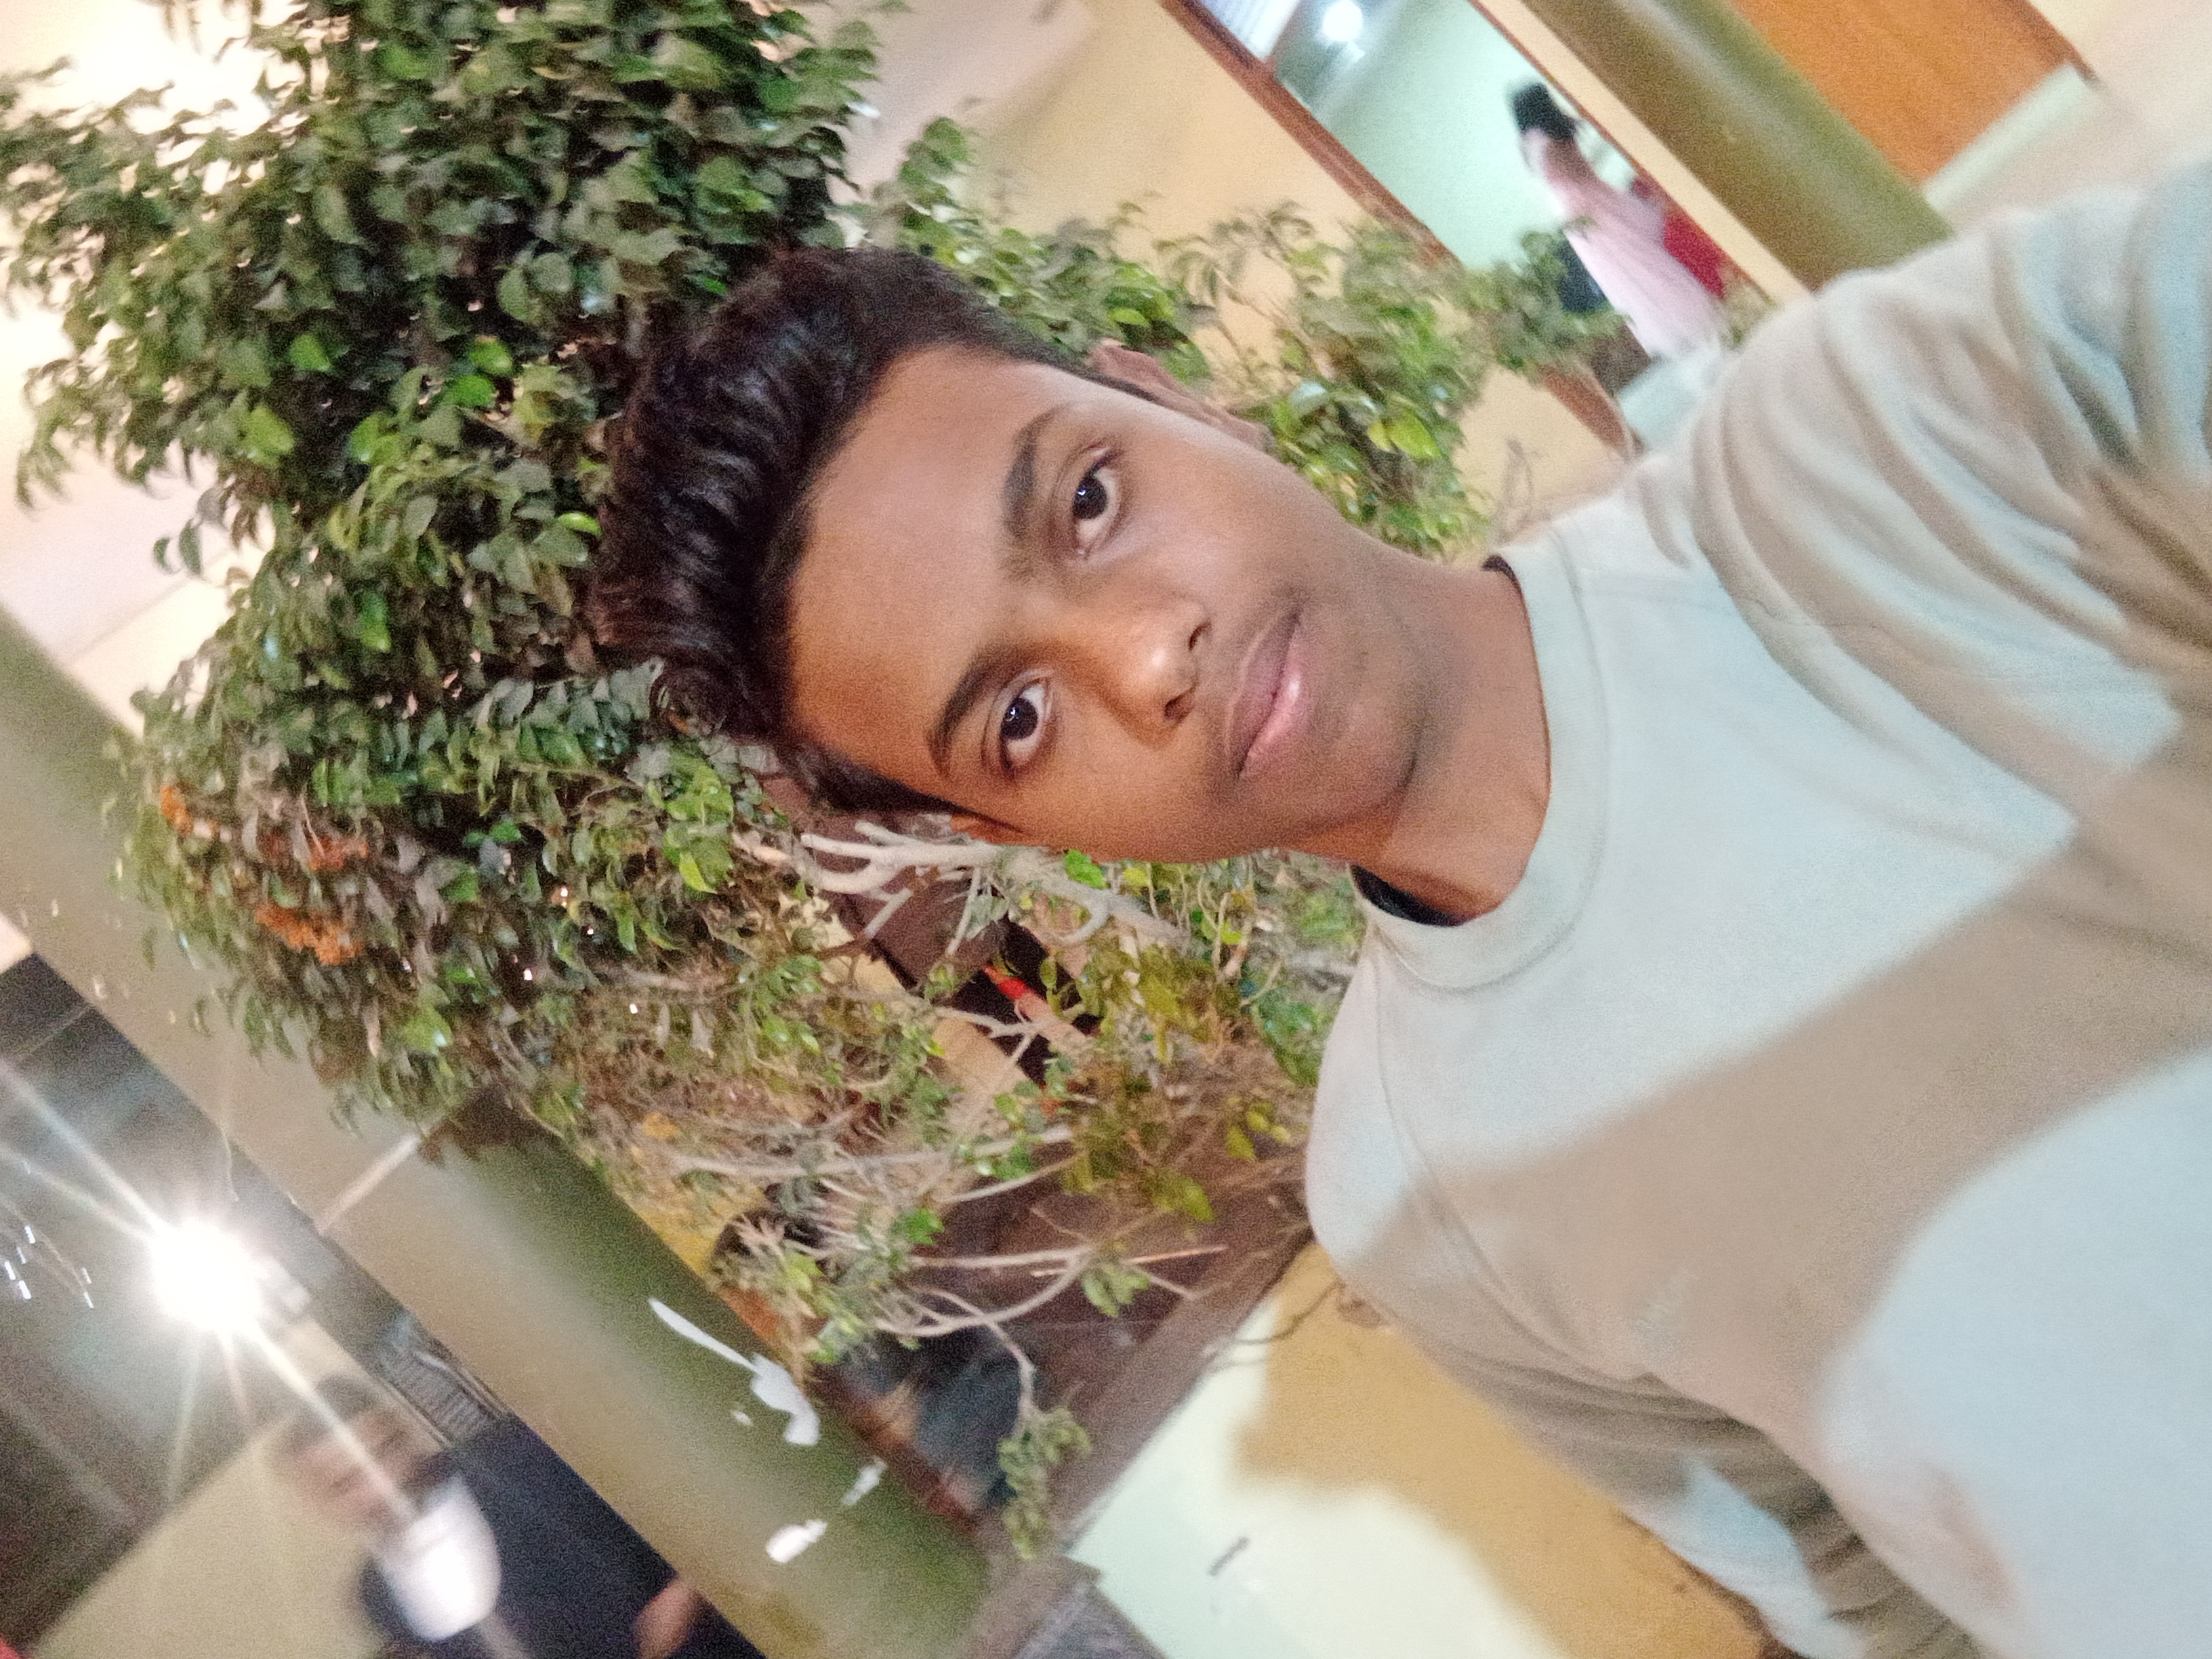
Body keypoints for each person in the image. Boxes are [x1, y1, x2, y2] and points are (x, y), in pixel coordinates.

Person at [588, 161, 2212, 1658]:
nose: (1145, 655)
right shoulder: (1420, 1199)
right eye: (1019, 717)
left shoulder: (1874, 456)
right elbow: (1865, 1595)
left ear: (1168, 396)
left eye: (1087, 502)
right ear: (1002, 826)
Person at [278, 1378, 764, 1659]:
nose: (380, 1483)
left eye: (382, 1451)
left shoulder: (517, 1455)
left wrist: (687, 1589)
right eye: (347, 1483)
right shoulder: (376, 1597)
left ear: (401, 1431)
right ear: (319, 1500)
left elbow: (685, 1493)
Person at [1511, 82, 1724, 358]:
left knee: (1633, 265)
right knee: (1644, 256)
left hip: (1581, 212)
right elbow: (1577, 173)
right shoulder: (1546, 142)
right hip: (1592, 210)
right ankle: (1696, 312)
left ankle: (1692, 316)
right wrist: (1607, 141)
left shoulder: (1530, 143)